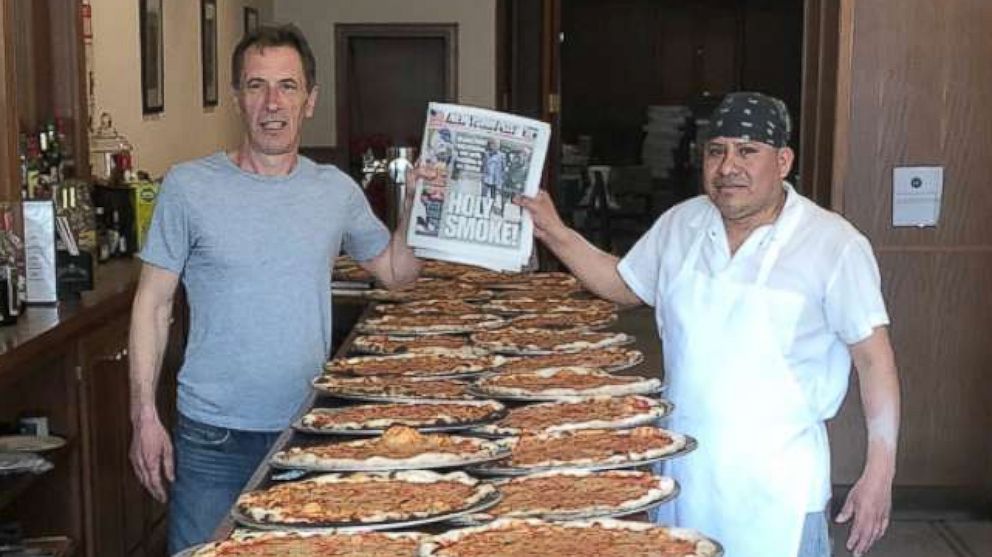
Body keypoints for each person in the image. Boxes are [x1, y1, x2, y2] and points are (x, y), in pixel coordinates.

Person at [516, 92, 900, 557]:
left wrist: (879, 473)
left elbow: (873, 360)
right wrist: (554, 230)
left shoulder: (833, 244)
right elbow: (623, 284)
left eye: (747, 151)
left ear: (783, 161)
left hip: (778, 489)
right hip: (683, 476)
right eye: (716, 151)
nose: (728, 166)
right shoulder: (683, 224)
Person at [127, 25, 424, 554]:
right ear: (238, 97)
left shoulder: (334, 191)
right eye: (256, 85)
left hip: (305, 429)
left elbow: (396, 273)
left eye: (287, 86)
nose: (272, 102)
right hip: (211, 434)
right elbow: (153, 304)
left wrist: (421, 207)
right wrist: (143, 414)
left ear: (309, 101)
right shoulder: (187, 186)